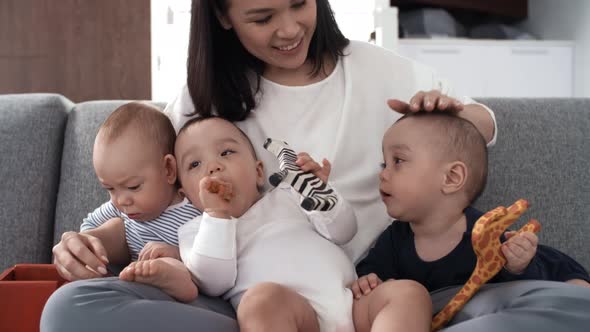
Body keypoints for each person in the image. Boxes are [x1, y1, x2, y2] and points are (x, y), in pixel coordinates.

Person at [41, 1, 590, 331]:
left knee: (569, 305)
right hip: (248, 308)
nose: (288, 29)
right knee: (71, 310)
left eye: (299, 3)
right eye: (262, 16)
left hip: (386, 298)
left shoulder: (380, 71)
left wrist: (459, 113)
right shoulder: (202, 97)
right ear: (223, 17)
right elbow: (148, 200)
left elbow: (479, 130)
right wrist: (93, 241)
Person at [351, 111, 590, 332]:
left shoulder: (487, 234)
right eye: (384, 164)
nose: (382, 173)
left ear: (452, 177)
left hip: (519, 294)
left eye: (398, 161)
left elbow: (526, 282)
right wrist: (369, 281)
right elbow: (371, 273)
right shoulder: (395, 239)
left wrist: (516, 265)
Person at [49, 102, 200, 302]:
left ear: (169, 170)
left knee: (176, 267)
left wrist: (178, 253)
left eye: (133, 187)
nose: (121, 201)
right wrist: (88, 247)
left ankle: (173, 277)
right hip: (136, 293)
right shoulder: (119, 208)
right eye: (110, 189)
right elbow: (89, 227)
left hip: (187, 292)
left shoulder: (193, 205)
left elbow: (213, 249)